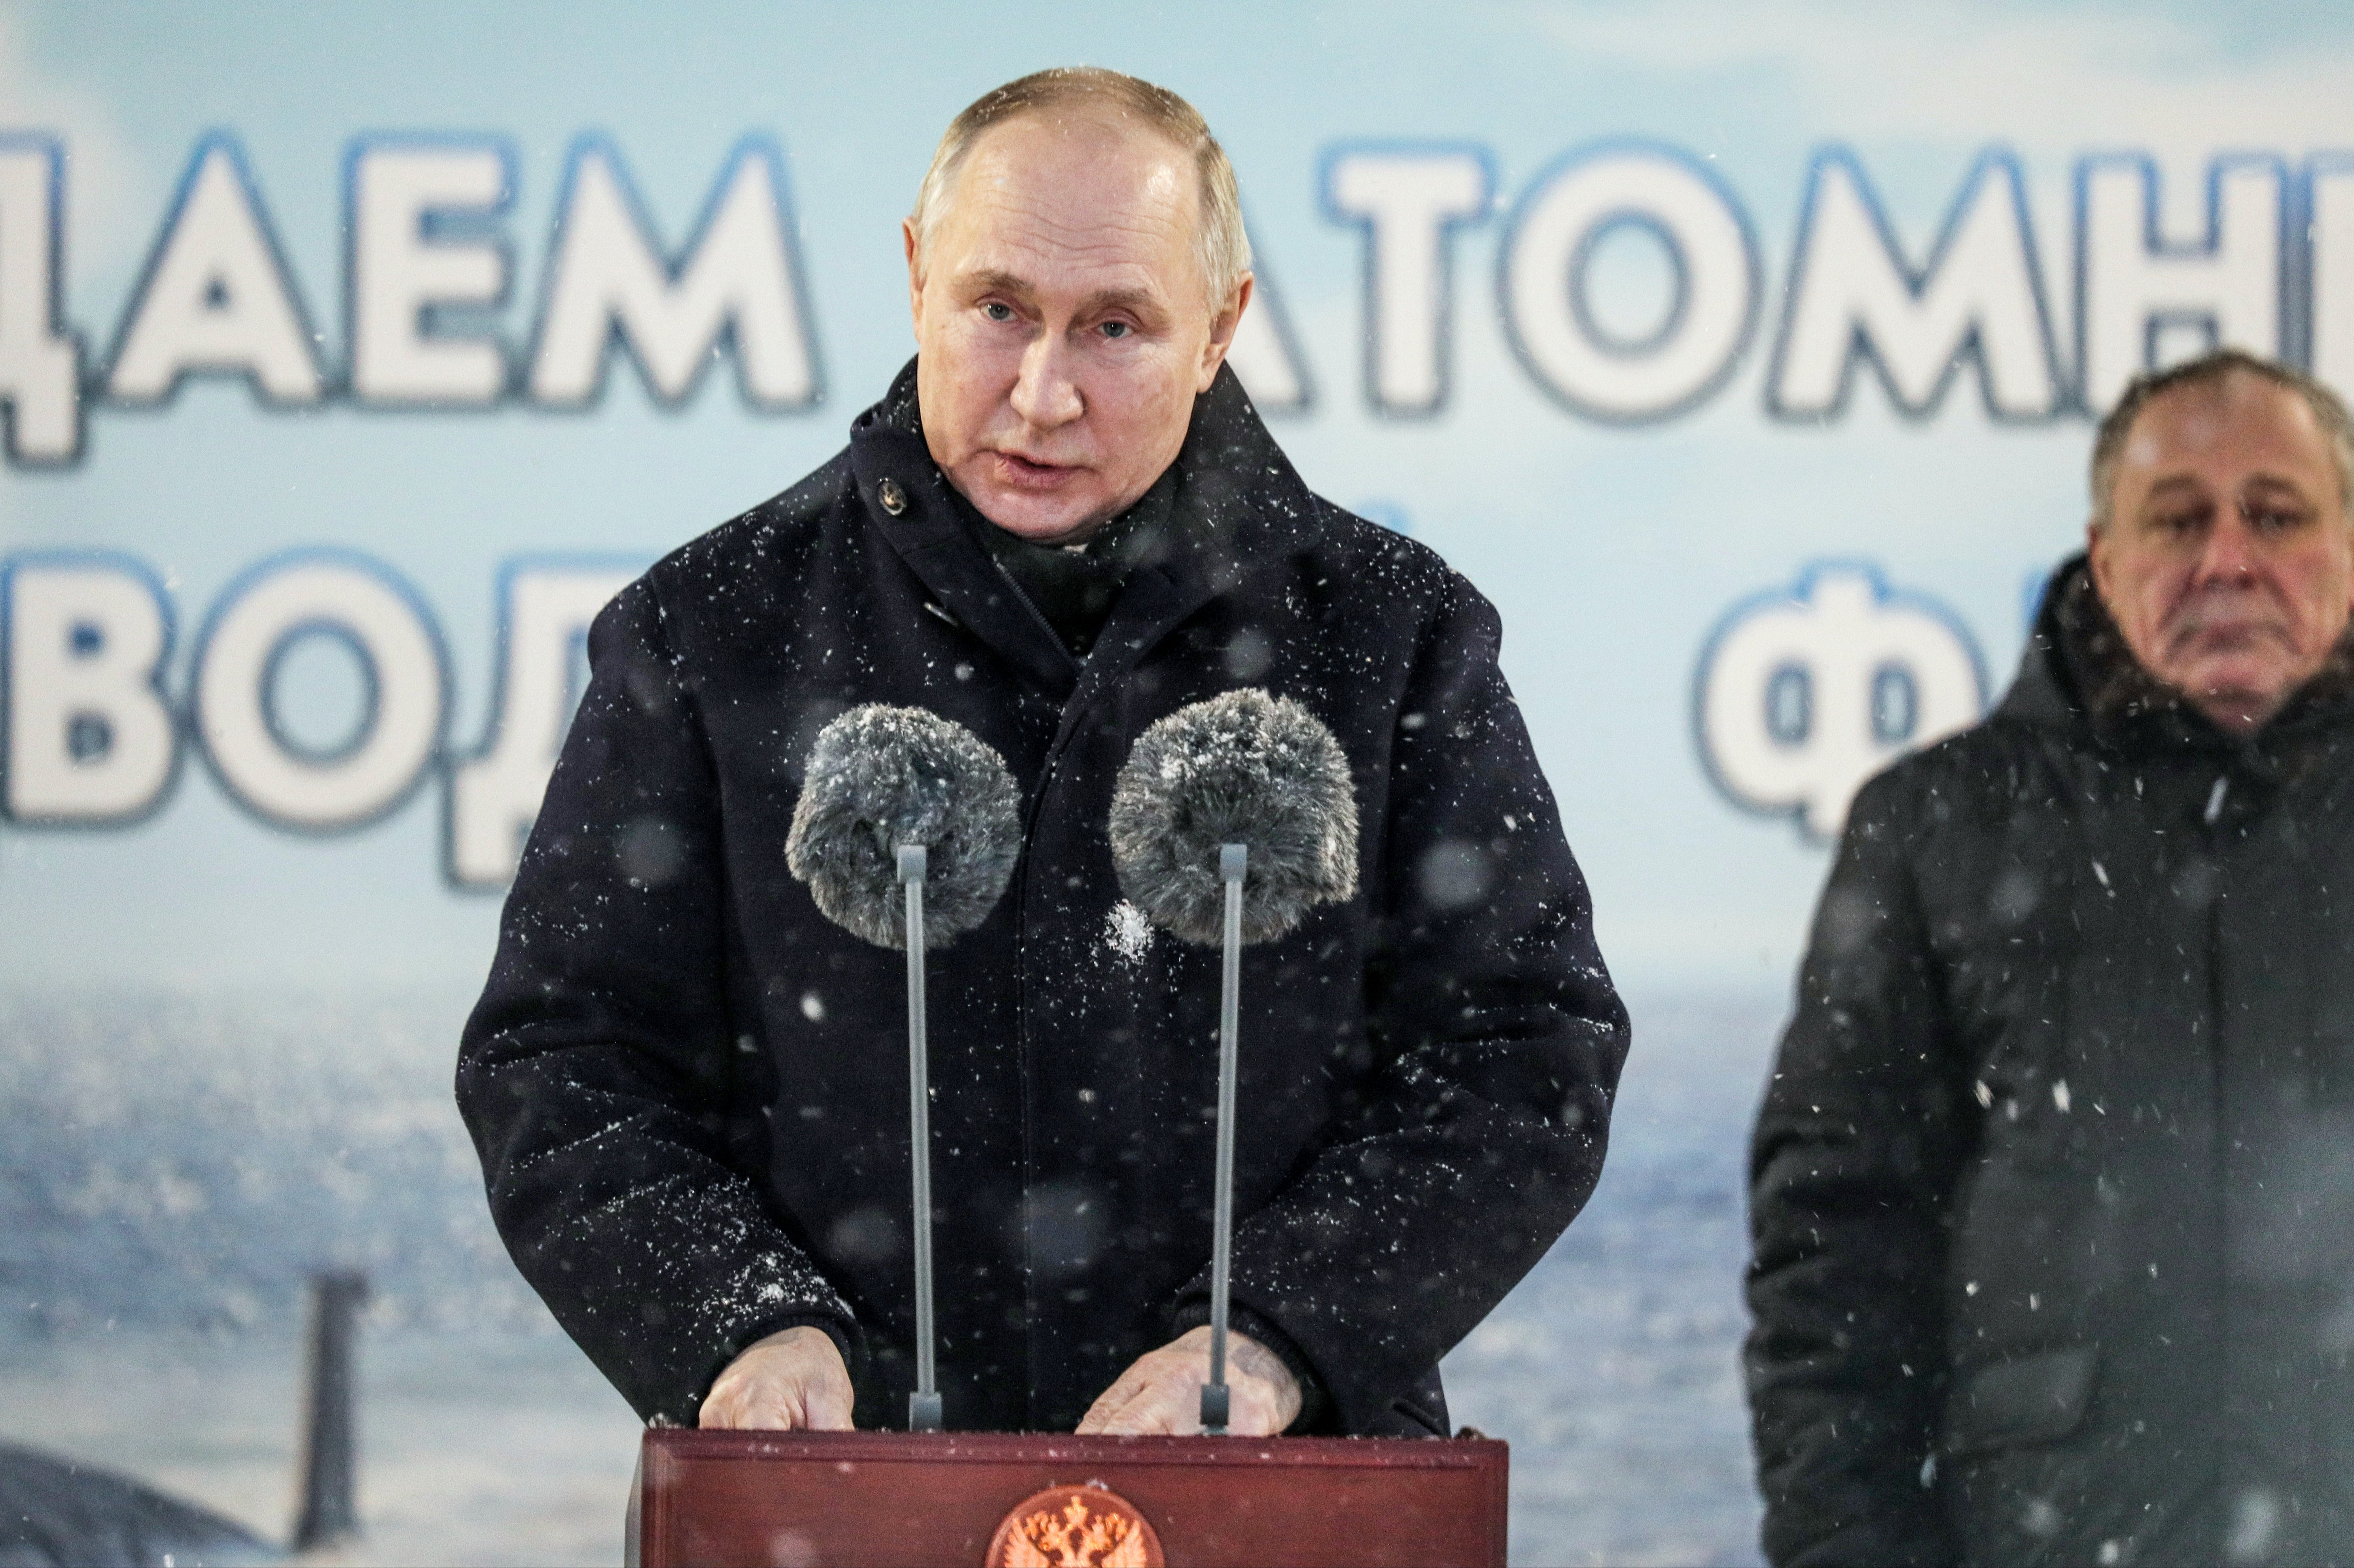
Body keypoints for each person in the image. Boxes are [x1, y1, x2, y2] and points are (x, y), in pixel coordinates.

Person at [456, 67, 1627, 1441]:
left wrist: (1274, 1339)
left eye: (1116, 326)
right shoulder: (709, 632)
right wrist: (743, 1321)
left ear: (1220, 329)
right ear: (915, 277)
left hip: (1273, 1503)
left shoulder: (1393, 637)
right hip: (840, 1503)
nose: (1042, 390)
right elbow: (567, 1060)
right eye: (998, 309)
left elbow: (1521, 1056)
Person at [1746, 347, 2354, 1566]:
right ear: (2104, 553)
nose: (2228, 558)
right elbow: (1835, 1263)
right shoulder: (1932, 825)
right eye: (2176, 520)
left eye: (2276, 515)